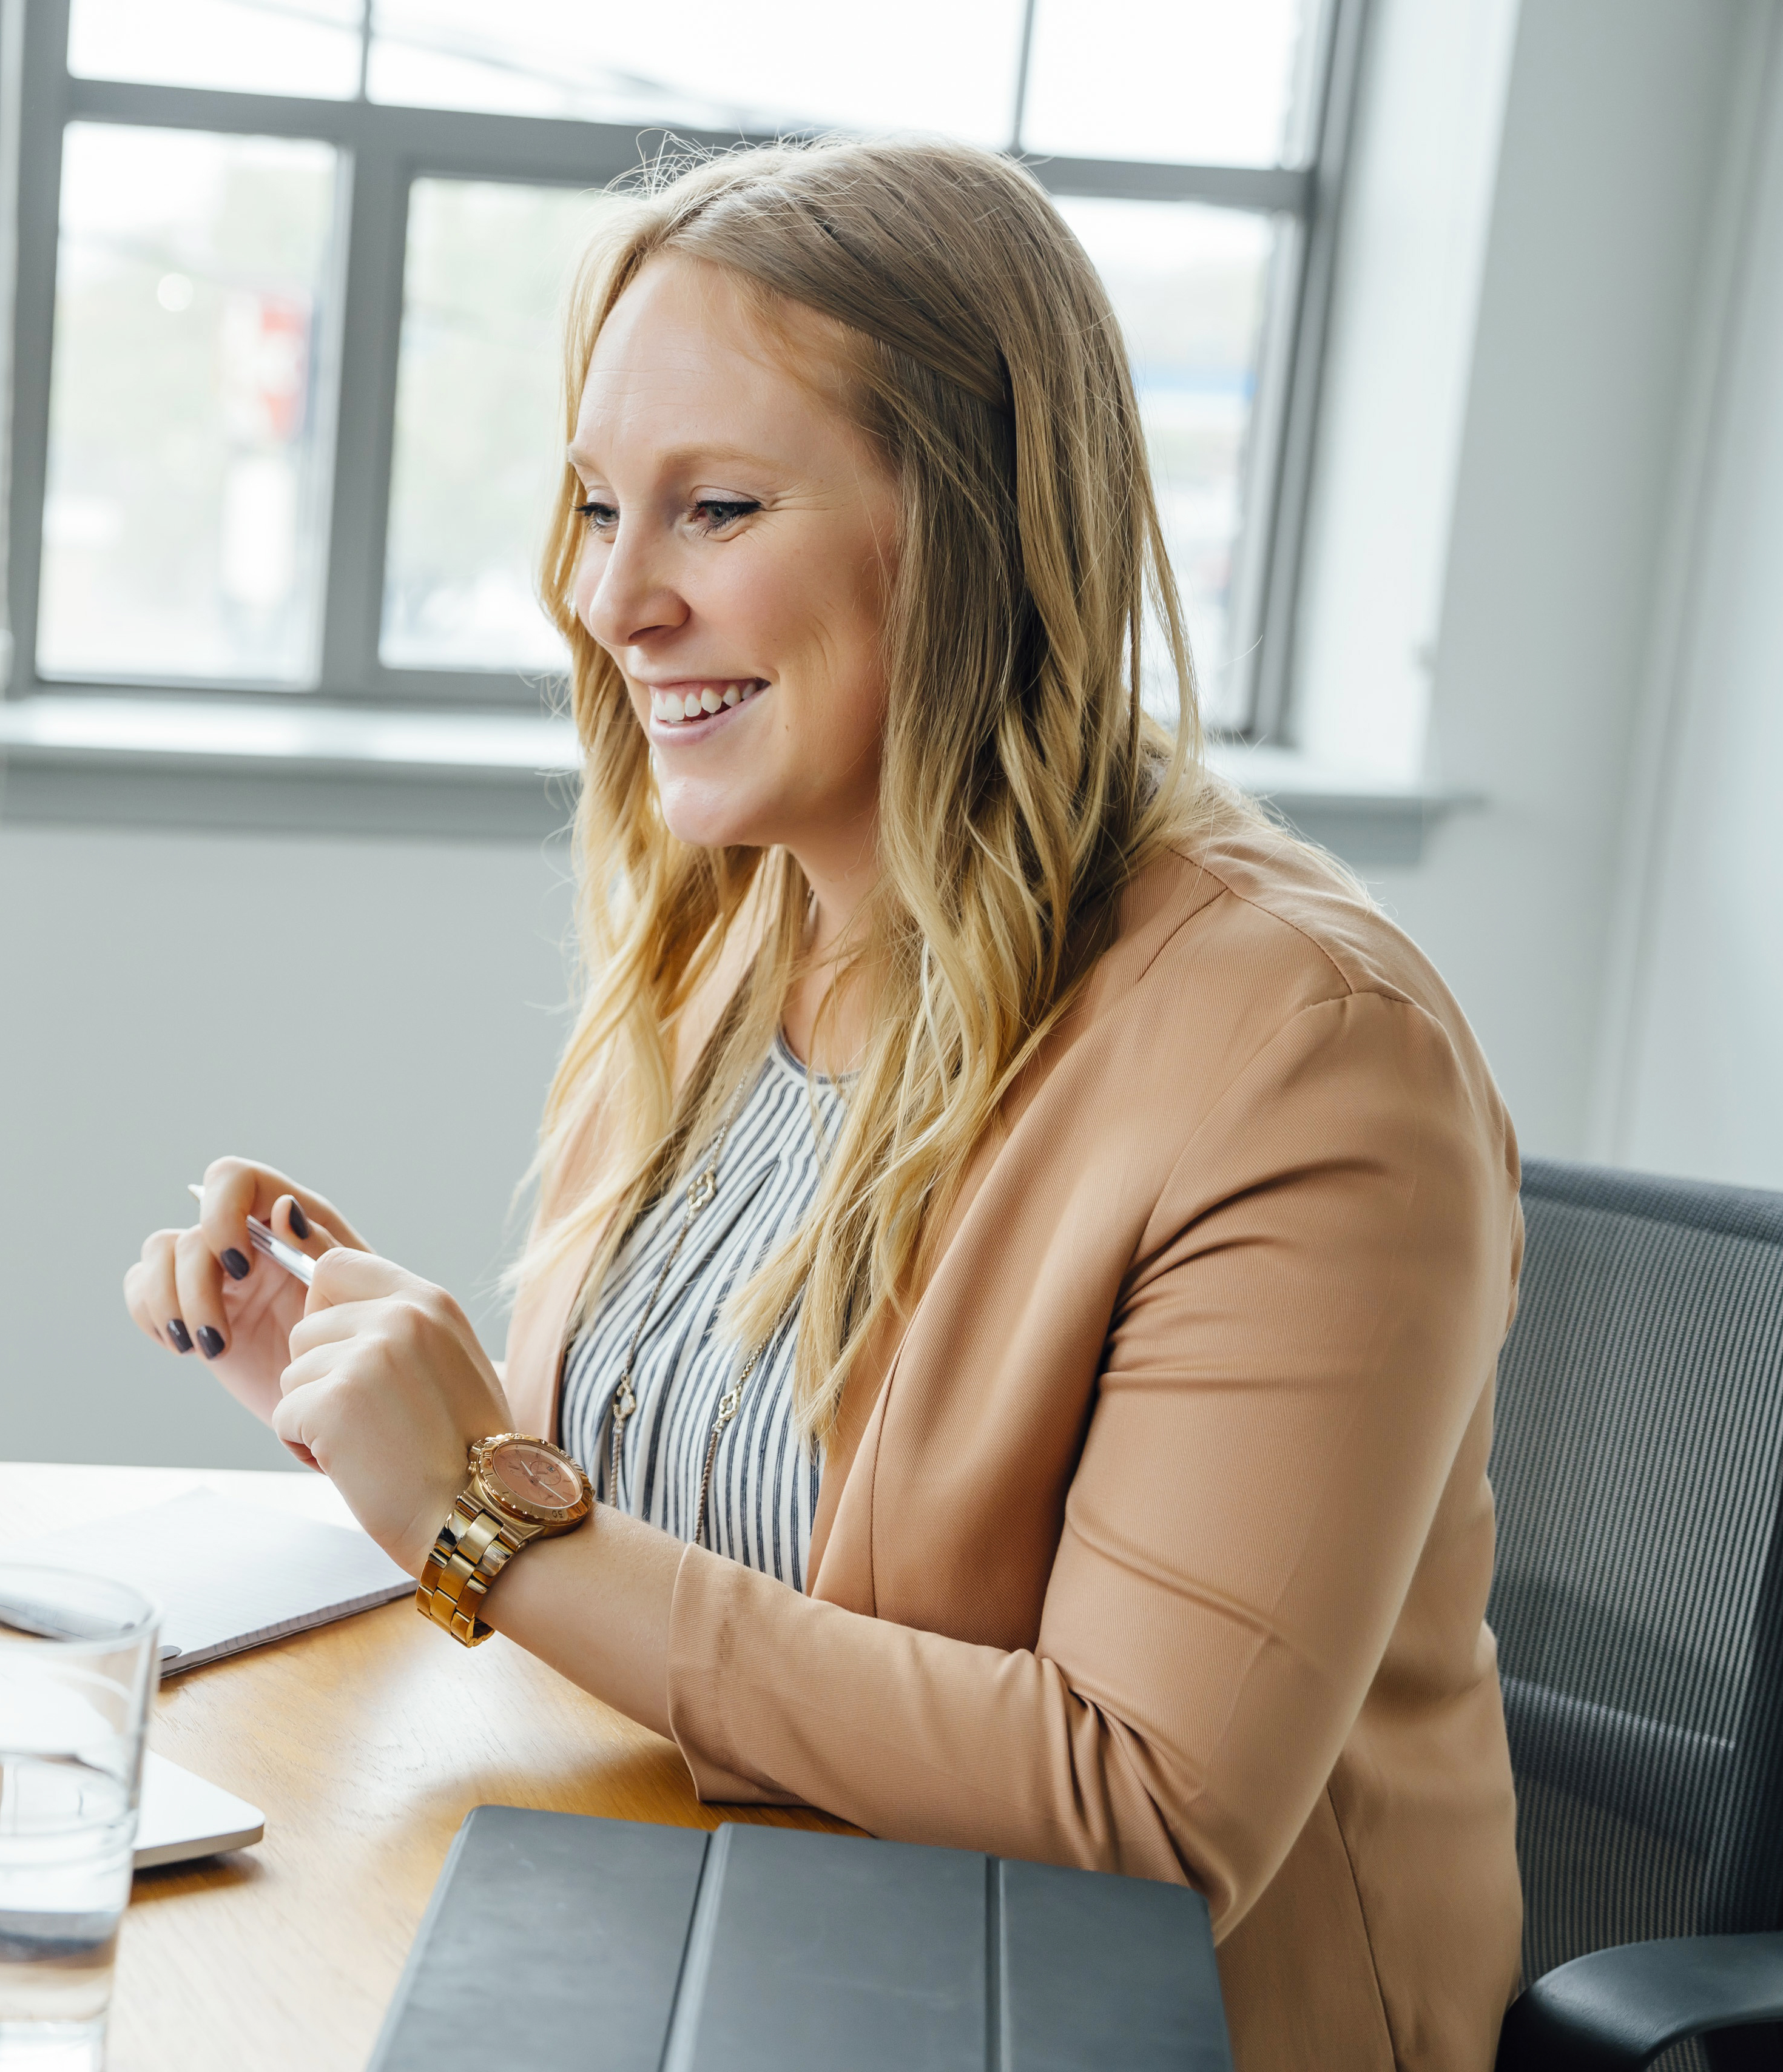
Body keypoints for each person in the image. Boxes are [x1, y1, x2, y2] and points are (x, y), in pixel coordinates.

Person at [122, 138, 1523, 2070]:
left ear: (968, 525)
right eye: (598, 507)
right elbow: (717, 1543)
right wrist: (370, 1393)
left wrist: (486, 1518)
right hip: (727, 1951)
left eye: (710, 508)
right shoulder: (729, 938)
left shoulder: (1307, 1051)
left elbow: (1144, 1817)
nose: (615, 599)